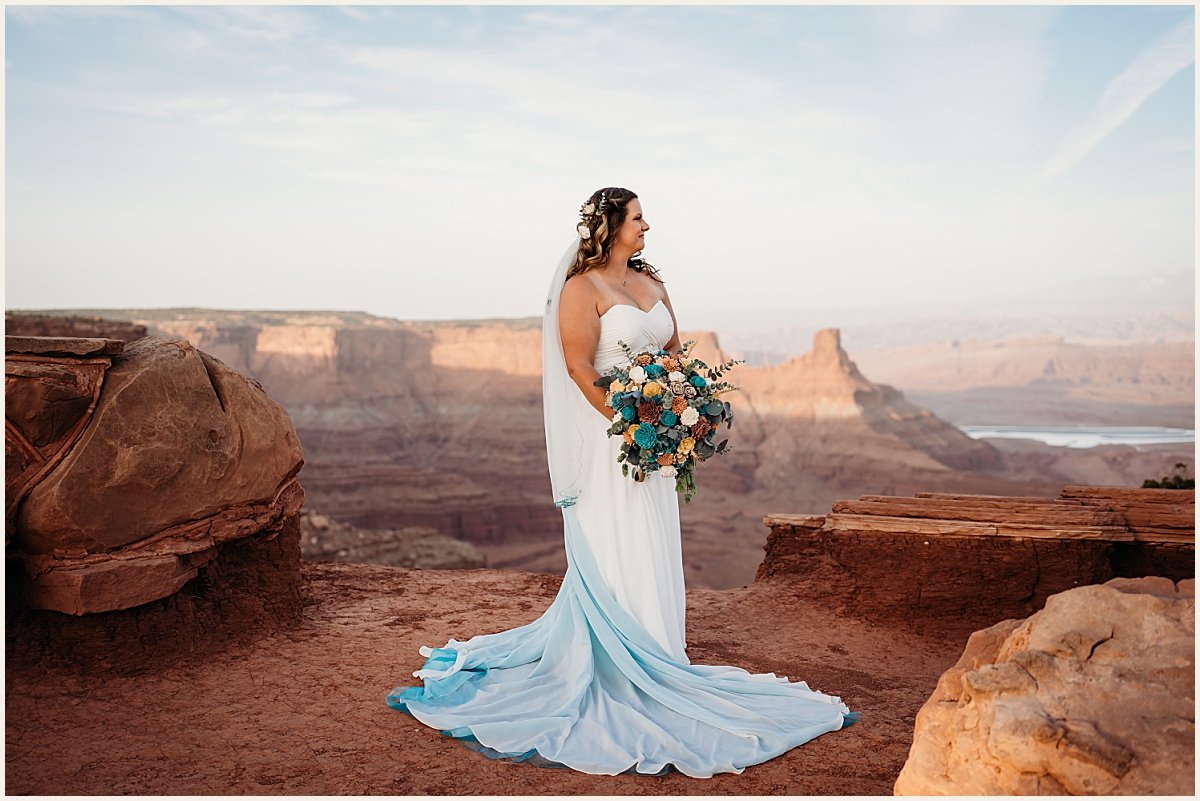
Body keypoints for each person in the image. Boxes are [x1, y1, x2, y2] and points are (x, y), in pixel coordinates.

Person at [386, 187, 857, 778]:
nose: (647, 227)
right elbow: (580, 369)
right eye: (637, 218)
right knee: (620, 542)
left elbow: (677, 354)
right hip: (616, 444)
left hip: (657, 445)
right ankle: (617, 662)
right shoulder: (581, 291)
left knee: (653, 539)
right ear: (609, 226)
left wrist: (685, 407)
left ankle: (659, 653)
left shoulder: (654, 285)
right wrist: (630, 425)